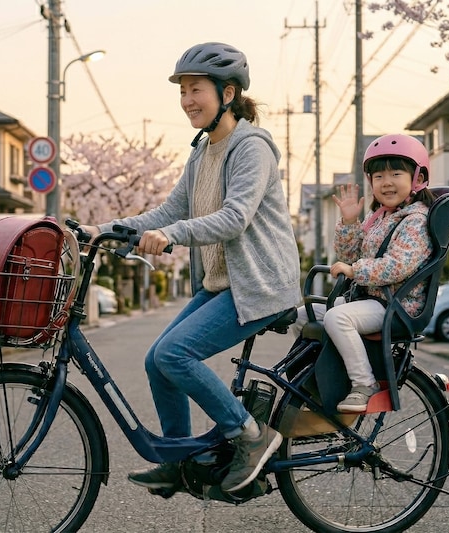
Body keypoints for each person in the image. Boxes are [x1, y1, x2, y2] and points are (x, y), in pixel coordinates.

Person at [80, 42, 302, 493]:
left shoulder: (251, 147)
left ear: (229, 93)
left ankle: (251, 437)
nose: (186, 101)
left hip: (257, 286)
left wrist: (175, 235)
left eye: (195, 89)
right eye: (182, 91)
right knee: (155, 361)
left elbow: (236, 217)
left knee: (173, 354)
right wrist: (99, 230)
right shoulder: (202, 152)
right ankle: (180, 457)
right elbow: (167, 211)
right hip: (220, 285)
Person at [318, 134, 435, 413]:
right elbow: (350, 258)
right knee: (305, 314)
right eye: (379, 175)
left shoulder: (415, 220)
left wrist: (355, 269)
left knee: (337, 317)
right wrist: (349, 222)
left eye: (396, 173)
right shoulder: (381, 217)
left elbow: (398, 265)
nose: (386, 182)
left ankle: (363, 383)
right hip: (373, 300)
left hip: (397, 305)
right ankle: (321, 380)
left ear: (417, 178)